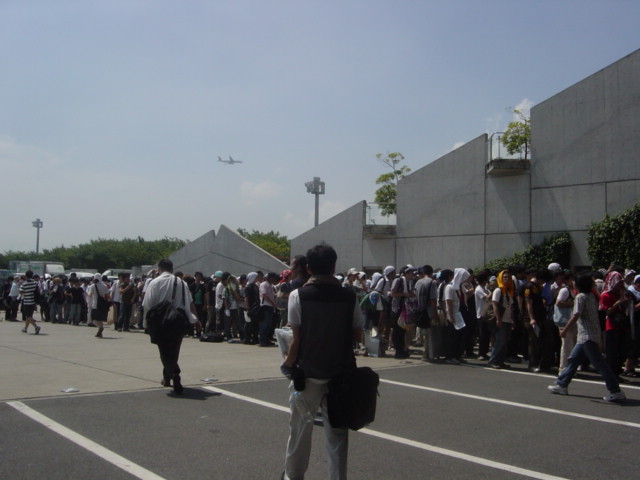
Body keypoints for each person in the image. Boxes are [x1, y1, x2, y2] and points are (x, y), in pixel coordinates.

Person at [281, 244, 363, 480]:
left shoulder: (298, 295)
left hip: (307, 373)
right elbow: (358, 334)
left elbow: (296, 339)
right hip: (340, 374)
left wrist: (287, 363)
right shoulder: (349, 296)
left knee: (299, 430)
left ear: (308, 268)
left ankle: (293, 476)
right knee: (337, 434)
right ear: (334, 266)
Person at [548, 273, 626, 402]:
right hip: (588, 334)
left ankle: (615, 390)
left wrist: (565, 330)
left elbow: (576, 315)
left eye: (575, 281)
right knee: (573, 360)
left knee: (599, 363)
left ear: (579, 284)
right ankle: (562, 384)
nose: (573, 283)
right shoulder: (591, 296)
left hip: (587, 335)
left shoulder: (580, 297)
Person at [142, 259, 200, 394]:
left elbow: (147, 304)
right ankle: (167, 378)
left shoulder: (155, 282)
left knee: (164, 351)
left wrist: (146, 323)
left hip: (161, 321)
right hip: (179, 320)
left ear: (159, 269)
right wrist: (196, 319)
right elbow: (189, 303)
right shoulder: (182, 282)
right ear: (172, 269)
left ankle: (175, 373)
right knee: (174, 350)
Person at [88, 274, 111, 338]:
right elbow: (107, 295)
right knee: (100, 319)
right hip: (102, 305)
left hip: (95, 305)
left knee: (93, 320)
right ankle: (100, 333)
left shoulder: (93, 286)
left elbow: (90, 295)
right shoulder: (104, 286)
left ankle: (99, 327)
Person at [20, 270, 41, 334]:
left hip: (26, 301)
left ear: (26, 276)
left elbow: (21, 292)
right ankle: (25, 328)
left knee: (28, 316)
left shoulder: (24, 283)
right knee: (29, 316)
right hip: (33, 301)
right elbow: (38, 291)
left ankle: (36, 327)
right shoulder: (35, 283)